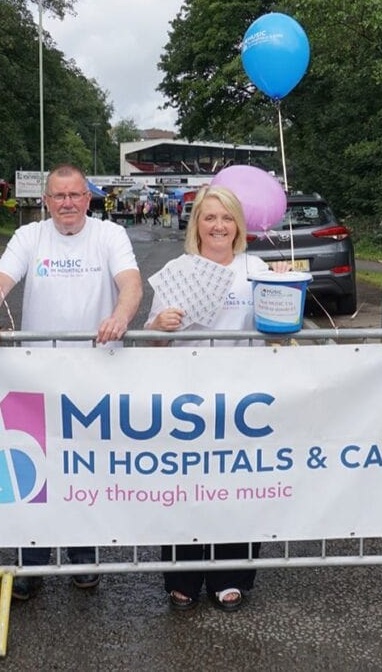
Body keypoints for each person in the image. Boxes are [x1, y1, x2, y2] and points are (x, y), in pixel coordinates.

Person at [0, 163, 142, 599]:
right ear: (45, 201)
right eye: (58, 196)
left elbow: (131, 284)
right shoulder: (30, 237)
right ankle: (32, 561)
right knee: (35, 466)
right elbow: (0, 279)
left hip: (95, 372)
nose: (67, 203)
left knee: (85, 467)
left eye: (76, 195)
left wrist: (121, 316)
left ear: (88, 198)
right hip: (37, 376)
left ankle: (85, 556)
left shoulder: (109, 235)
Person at [144, 184, 289, 611]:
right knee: (185, 488)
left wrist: (283, 295)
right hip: (186, 403)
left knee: (238, 487)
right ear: (197, 225)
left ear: (238, 225)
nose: (219, 225)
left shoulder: (257, 266)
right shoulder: (179, 269)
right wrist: (159, 326)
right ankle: (184, 577)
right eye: (210, 217)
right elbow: (151, 341)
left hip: (244, 402)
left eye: (226, 218)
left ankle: (233, 575)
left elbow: (281, 330)